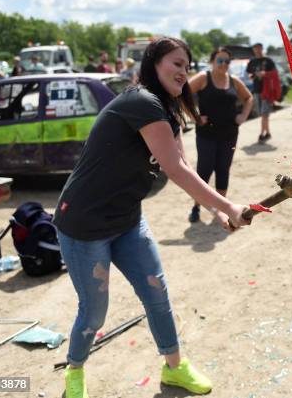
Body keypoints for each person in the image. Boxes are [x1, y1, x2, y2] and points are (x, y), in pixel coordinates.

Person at [52, 37, 251, 398]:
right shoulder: (141, 102)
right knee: (94, 312)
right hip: (84, 225)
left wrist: (214, 210)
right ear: (154, 63)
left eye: (187, 66)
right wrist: (228, 205)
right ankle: (74, 371)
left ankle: (174, 368)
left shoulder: (167, 111)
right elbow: (174, 169)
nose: (183, 72)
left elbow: (184, 166)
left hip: (126, 220)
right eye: (176, 63)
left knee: (156, 293)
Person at [187, 47, 253, 222]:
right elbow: (182, 94)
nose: (223, 64)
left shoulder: (234, 81)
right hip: (206, 134)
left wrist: (243, 116)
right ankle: (196, 207)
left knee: (223, 170)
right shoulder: (203, 78)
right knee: (204, 171)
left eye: (227, 61)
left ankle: (222, 210)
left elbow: (249, 98)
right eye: (220, 60)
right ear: (212, 61)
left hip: (229, 134)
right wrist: (194, 117)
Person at [246, 42, 276, 142]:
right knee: (263, 114)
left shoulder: (268, 61)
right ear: (254, 50)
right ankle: (268, 133)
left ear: (262, 49)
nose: (258, 50)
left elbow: (275, 74)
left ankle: (262, 134)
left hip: (266, 90)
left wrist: (265, 74)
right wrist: (252, 76)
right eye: (256, 48)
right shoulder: (252, 61)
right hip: (257, 90)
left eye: (259, 48)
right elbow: (249, 73)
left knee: (264, 113)